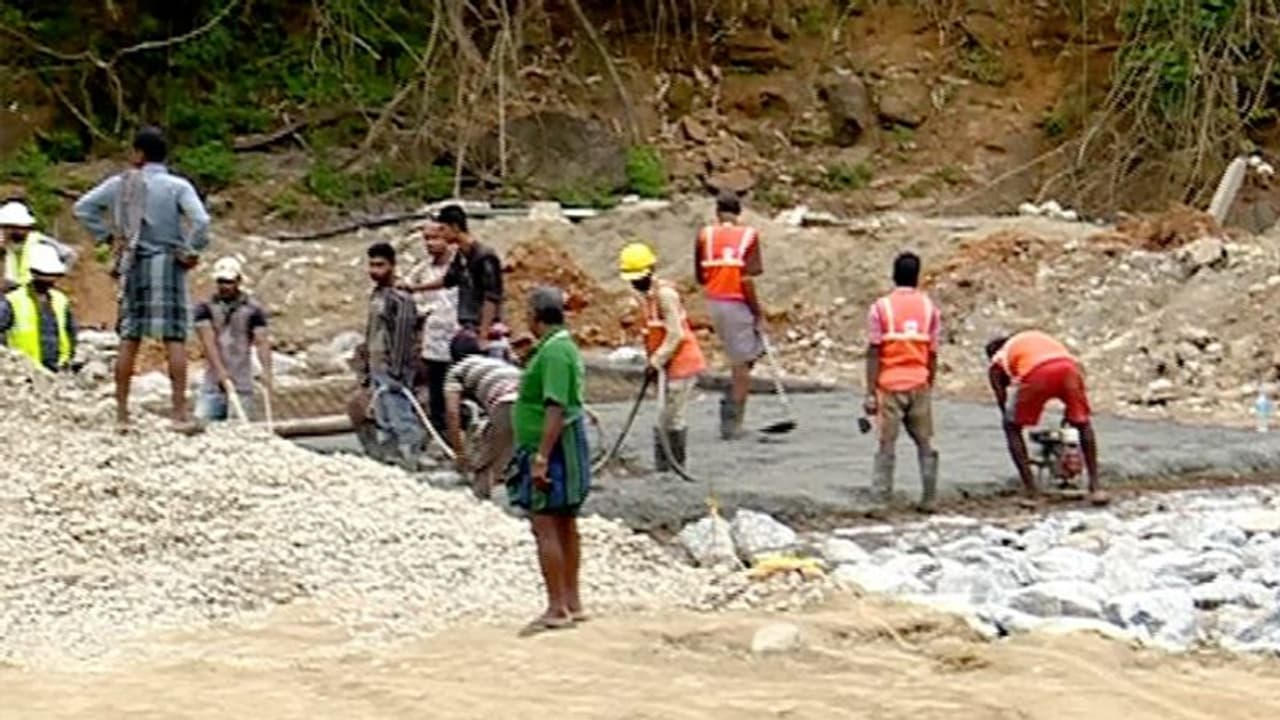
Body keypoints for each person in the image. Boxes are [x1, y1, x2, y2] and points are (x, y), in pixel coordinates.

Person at [73, 126, 211, 434]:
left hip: (132, 263)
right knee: (173, 337)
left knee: (129, 337)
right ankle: (178, 413)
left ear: (138, 154)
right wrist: (190, 249)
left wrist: (107, 238)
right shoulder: (176, 186)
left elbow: (82, 208)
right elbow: (201, 221)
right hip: (166, 262)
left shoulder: (120, 184)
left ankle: (122, 415)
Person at [508, 286, 591, 633]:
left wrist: (541, 456)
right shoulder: (555, 349)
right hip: (557, 444)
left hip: (552, 448)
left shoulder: (555, 353)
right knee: (564, 522)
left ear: (535, 316)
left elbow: (555, 405)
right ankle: (571, 600)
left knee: (546, 523)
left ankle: (558, 606)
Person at [986, 330, 1107, 506]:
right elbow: (1066, 366)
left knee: (1010, 427)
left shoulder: (998, 359)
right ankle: (1096, 487)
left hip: (1037, 372)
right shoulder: (1031, 338)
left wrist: (1012, 416)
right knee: (1082, 424)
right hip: (1069, 368)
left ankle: (1032, 491)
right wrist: (1071, 412)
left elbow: (1002, 400)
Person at [618, 241, 706, 472]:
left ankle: (674, 467)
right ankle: (665, 466)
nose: (635, 282)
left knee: (671, 417)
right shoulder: (647, 298)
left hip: (682, 364)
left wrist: (656, 360)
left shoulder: (665, 295)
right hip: (665, 366)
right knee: (662, 416)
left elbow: (675, 334)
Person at [864, 252, 942, 511]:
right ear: (917, 276)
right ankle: (929, 498)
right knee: (925, 442)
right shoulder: (929, 309)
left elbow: (874, 351)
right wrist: (929, 382)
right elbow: (932, 352)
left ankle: (880, 500)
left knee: (887, 442)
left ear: (894, 274)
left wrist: (870, 391)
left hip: (889, 385)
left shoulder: (881, 308)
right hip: (919, 383)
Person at [695, 190, 765, 439]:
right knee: (742, 364)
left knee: (746, 356)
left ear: (717, 212)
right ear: (739, 212)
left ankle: (731, 399)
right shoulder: (749, 236)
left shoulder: (705, 235)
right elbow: (747, 279)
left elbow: (701, 275)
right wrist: (757, 311)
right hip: (736, 301)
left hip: (714, 301)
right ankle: (734, 421)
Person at [363, 241, 424, 471]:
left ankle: (412, 459)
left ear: (392, 266)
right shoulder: (376, 295)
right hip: (376, 364)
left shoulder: (401, 299)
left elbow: (402, 338)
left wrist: (397, 370)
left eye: (380, 265)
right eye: (371, 265)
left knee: (401, 415)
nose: (375, 270)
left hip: (393, 366)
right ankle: (391, 463)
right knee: (383, 417)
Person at [193, 257, 272, 422]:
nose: (225, 286)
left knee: (242, 427)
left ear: (238, 281)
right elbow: (208, 342)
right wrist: (221, 372)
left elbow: (261, 341)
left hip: (242, 381)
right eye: (221, 281)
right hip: (213, 382)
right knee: (203, 424)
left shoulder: (253, 309)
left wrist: (266, 371)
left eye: (229, 282)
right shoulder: (205, 308)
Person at [444, 332, 522, 499]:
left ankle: (480, 505)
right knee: (510, 459)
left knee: (483, 461)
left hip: (506, 403)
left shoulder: (457, 370)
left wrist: (460, 454)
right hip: (532, 403)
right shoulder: (494, 363)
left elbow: (452, 413)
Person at [401, 221, 458, 435]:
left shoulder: (459, 267)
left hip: (456, 340)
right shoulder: (422, 271)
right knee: (437, 393)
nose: (430, 244)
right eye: (426, 239)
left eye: (435, 238)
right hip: (432, 342)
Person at [437, 204, 506, 358]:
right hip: (468, 327)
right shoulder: (461, 255)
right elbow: (448, 280)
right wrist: (415, 287)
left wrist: (483, 333)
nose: (440, 234)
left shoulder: (484, 257)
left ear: (455, 227)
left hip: (483, 330)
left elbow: (491, 298)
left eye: (443, 229)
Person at [0, 243, 77, 372]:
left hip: (58, 369)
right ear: (33, 273)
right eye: (45, 274)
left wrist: (69, 358)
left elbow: (70, 332)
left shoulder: (60, 300)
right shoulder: (14, 300)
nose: (49, 279)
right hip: (25, 371)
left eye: (52, 275)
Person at [0, 199, 78, 292]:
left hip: (34, 290)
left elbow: (70, 254)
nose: (4, 231)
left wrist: (57, 275)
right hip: (13, 289)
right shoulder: (10, 242)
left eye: (5, 227)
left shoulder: (39, 241)